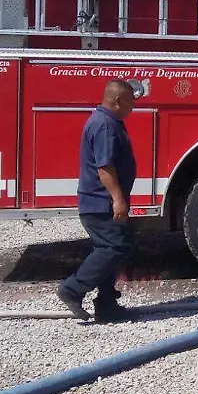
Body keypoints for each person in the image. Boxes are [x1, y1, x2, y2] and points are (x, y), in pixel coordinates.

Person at [56, 79, 137, 323]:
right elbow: (104, 168)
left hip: (99, 201)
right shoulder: (104, 125)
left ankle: (107, 305)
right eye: (131, 102)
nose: (132, 108)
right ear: (118, 100)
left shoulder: (107, 122)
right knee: (114, 247)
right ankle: (72, 289)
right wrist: (117, 199)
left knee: (109, 248)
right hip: (100, 201)